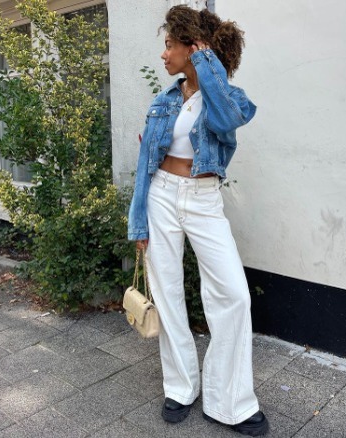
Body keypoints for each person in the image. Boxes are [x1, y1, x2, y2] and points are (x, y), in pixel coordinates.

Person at [127, 5, 268, 437]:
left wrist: (208, 63)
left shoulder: (230, 97)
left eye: (170, 44)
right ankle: (181, 386)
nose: (164, 54)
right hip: (161, 197)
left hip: (204, 200)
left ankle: (231, 402)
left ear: (193, 47)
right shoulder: (164, 101)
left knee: (233, 295)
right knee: (167, 291)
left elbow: (227, 121)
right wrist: (139, 223)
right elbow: (144, 166)